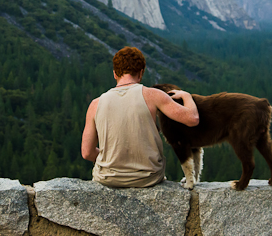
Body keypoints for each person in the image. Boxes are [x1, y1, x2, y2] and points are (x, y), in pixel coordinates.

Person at [81, 46, 199, 187]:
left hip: (107, 178)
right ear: (141, 72)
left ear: (115, 74)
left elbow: (87, 153)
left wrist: (112, 159)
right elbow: (192, 119)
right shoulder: (153, 95)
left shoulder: (95, 104)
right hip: (148, 178)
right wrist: (186, 96)